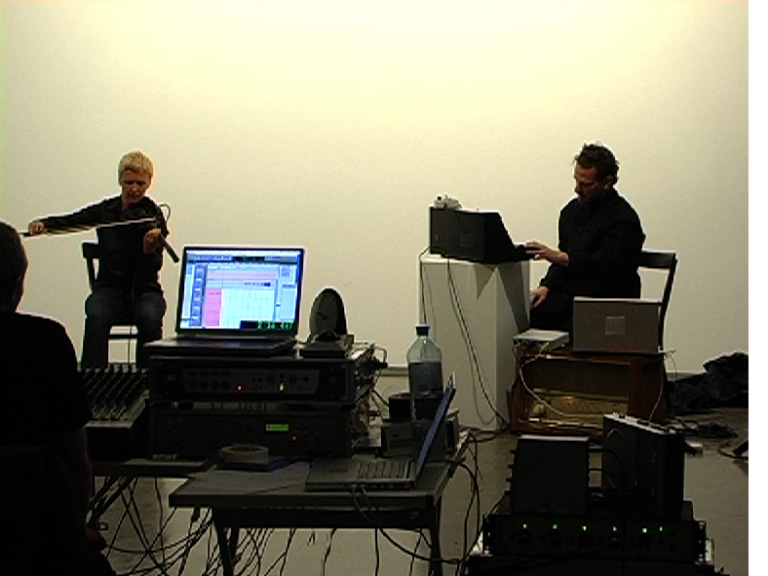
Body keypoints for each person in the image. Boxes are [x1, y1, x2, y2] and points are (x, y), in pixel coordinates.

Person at [0, 221, 115, 575]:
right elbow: (76, 461)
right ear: (17, 283)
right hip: (41, 548)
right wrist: (75, 531)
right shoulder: (46, 341)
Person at [28, 151, 170, 367]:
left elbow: (156, 265)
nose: (134, 188)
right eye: (129, 182)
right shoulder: (106, 210)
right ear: (120, 180)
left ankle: (147, 380)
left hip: (145, 290)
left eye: (140, 183)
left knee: (150, 317)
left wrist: (149, 249)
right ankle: (94, 379)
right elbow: (75, 219)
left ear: (149, 183)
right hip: (108, 289)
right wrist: (45, 224)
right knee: (97, 314)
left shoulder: (153, 215)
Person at [526, 143, 645, 333]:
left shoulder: (624, 220)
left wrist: (564, 258)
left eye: (586, 185)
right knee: (527, 314)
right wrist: (546, 286)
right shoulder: (570, 212)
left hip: (606, 300)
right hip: (574, 298)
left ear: (608, 183)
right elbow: (562, 263)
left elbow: (609, 266)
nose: (577, 189)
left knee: (578, 326)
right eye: (576, 181)